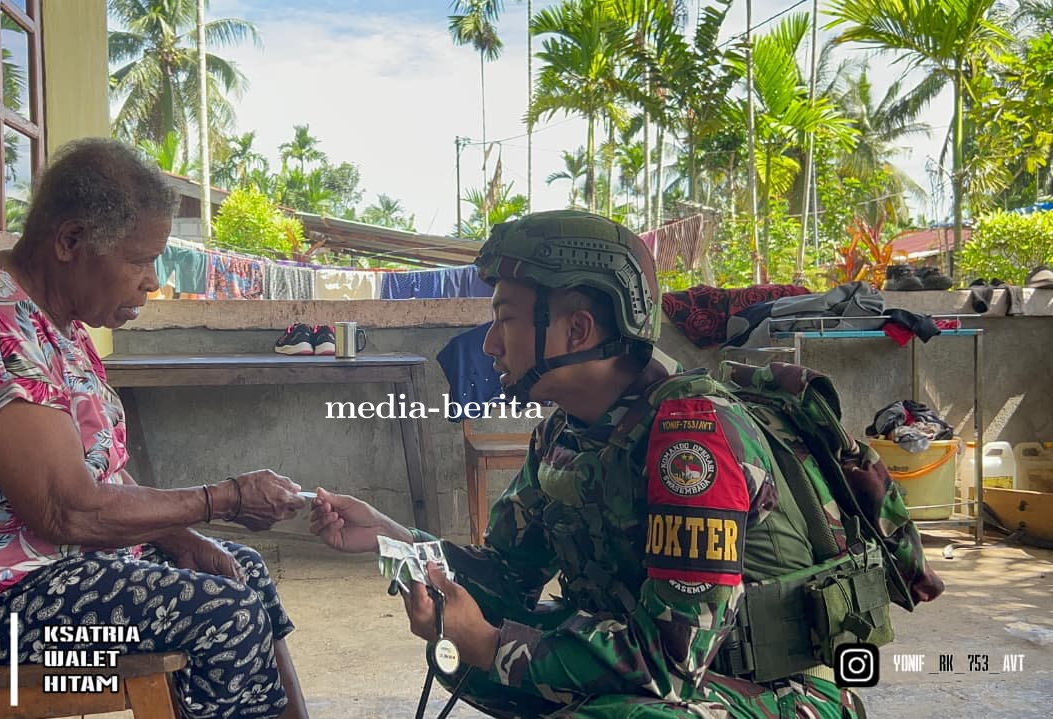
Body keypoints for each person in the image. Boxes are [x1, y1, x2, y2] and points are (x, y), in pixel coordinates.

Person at [310, 210, 942, 718]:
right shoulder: (567, 430)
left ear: (577, 329)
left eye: (505, 319)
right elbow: (508, 572)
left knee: (588, 697)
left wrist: (491, 644)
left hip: (774, 693)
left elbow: (669, 660)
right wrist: (394, 538)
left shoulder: (692, 442)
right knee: (461, 655)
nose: (490, 343)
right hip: (677, 676)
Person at [0, 138, 309, 719]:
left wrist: (177, 534)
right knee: (222, 614)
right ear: (70, 241)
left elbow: (99, 477)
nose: (152, 281)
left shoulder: (55, 323)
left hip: (34, 582)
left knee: (239, 572)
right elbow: (67, 510)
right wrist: (224, 498)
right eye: (139, 260)